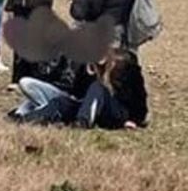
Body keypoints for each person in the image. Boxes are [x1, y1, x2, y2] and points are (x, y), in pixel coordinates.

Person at [9, 47, 146, 130]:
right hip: (88, 107)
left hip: (115, 112)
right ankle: (27, 119)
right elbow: (77, 93)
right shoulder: (86, 66)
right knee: (61, 102)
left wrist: (133, 120)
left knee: (97, 88)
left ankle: (82, 123)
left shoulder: (123, 63)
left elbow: (139, 96)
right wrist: (88, 71)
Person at [3, 0, 66, 84]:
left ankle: (35, 77)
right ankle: (17, 78)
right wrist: (10, 6)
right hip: (20, 6)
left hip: (39, 7)